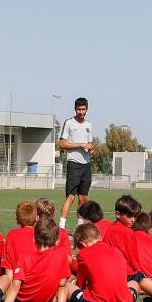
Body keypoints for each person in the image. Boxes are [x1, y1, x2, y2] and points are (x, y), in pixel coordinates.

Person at [0, 219, 72, 302]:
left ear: (34, 239)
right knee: (65, 283)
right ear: (57, 241)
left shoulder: (24, 257)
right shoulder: (62, 255)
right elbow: (62, 285)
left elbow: (15, 285)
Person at [57, 223, 138, 302]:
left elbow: (81, 284)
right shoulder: (117, 251)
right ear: (99, 237)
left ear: (83, 244)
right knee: (134, 283)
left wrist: (73, 281)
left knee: (66, 285)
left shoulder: (84, 253)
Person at [58, 97, 93, 229]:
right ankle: (61, 227)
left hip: (86, 165)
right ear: (75, 109)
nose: (81, 111)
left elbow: (89, 144)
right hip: (73, 164)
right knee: (71, 197)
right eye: (79, 109)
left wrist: (90, 150)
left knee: (83, 199)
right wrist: (79, 145)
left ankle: (80, 227)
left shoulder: (89, 125)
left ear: (87, 110)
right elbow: (61, 143)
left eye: (83, 109)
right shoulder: (69, 123)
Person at [4, 202, 39, 273]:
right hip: (39, 279)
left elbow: (8, 266)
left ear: (17, 220)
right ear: (37, 218)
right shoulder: (41, 234)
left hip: (17, 279)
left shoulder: (11, 234)